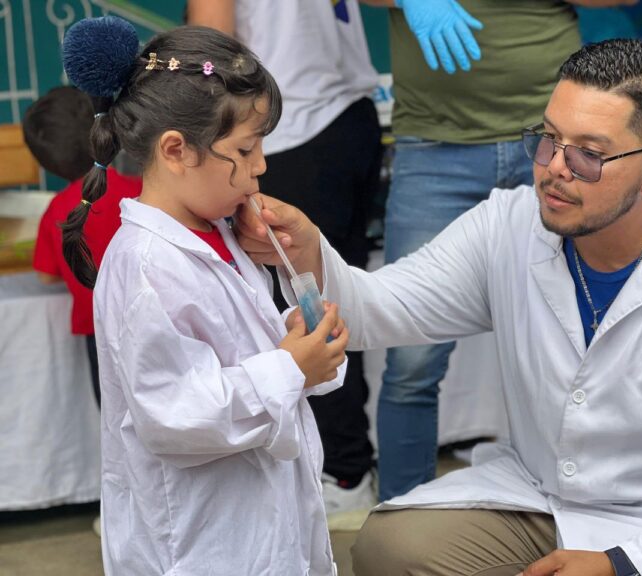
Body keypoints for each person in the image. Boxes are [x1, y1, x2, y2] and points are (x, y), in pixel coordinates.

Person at [238, 39, 642, 575]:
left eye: (588, 153)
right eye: (548, 139)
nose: (555, 168)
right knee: (390, 548)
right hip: (540, 498)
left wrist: (622, 565)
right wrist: (307, 250)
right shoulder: (509, 225)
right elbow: (382, 308)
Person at [60, 16, 349, 575]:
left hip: (259, 524)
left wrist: (301, 339)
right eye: (245, 148)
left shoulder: (221, 234)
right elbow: (175, 415)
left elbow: (243, 354)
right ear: (176, 150)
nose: (261, 166)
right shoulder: (143, 267)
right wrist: (290, 367)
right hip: (199, 545)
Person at [358, 0, 636, 501]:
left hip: (562, 143)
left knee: (608, 334)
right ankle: (400, 526)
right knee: (411, 362)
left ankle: (610, 514)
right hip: (435, 147)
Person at [187, 0, 381, 515]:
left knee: (303, 305)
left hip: (293, 126)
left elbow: (211, 49)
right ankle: (347, 464)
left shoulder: (249, 154)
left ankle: (341, 470)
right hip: (351, 121)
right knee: (327, 294)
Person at [25, 86, 142, 409]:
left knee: (115, 420)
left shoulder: (57, 211)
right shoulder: (140, 190)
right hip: (154, 321)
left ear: (46, 162)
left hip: (101, 332)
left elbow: (46, 276)